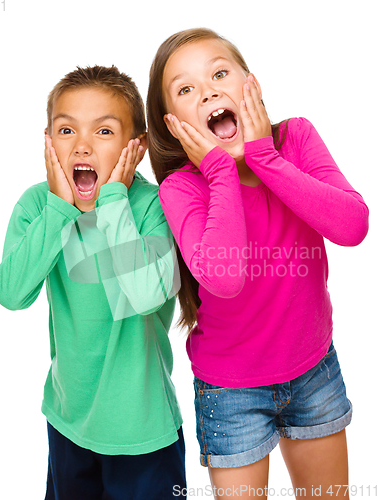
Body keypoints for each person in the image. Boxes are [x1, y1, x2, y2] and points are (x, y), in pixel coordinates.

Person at [146, 28, 369, 499]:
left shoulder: (297, 138)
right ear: (173, 125)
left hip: (314, 370)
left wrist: (263, 156)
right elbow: (224, 279)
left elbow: (352, 226)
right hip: (231, 393)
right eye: (186, 89)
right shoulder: (182, 190)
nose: (207, 91)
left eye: (220, 73)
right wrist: (222, 170)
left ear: (253, 85)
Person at [0, 65, 186, 500]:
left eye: (103, 132)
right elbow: (10, 293)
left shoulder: (155, 205)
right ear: (47, 142)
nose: (81, 145)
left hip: (144, 431)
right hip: (68, 422)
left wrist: (115, 199)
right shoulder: (38, 207)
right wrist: (59, 209)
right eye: (66, 131)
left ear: (134, 148)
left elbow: (145, 293)